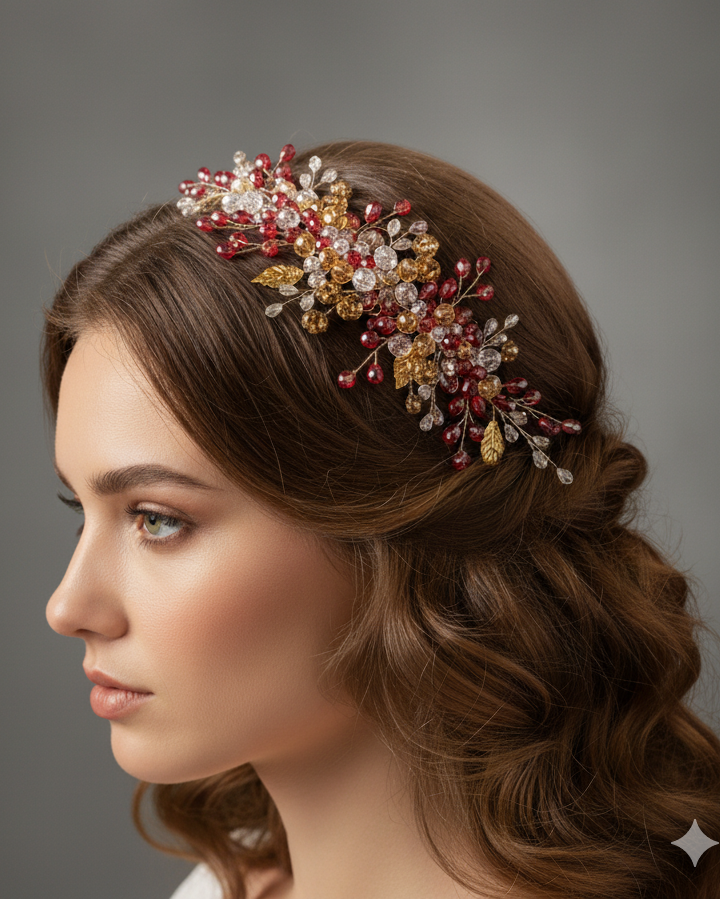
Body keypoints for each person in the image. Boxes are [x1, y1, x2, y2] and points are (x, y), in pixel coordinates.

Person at [41, 140, 720, 899]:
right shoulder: (226, 884)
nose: (68, 607)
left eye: (157, 519)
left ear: (386, 533)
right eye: (83, 509)